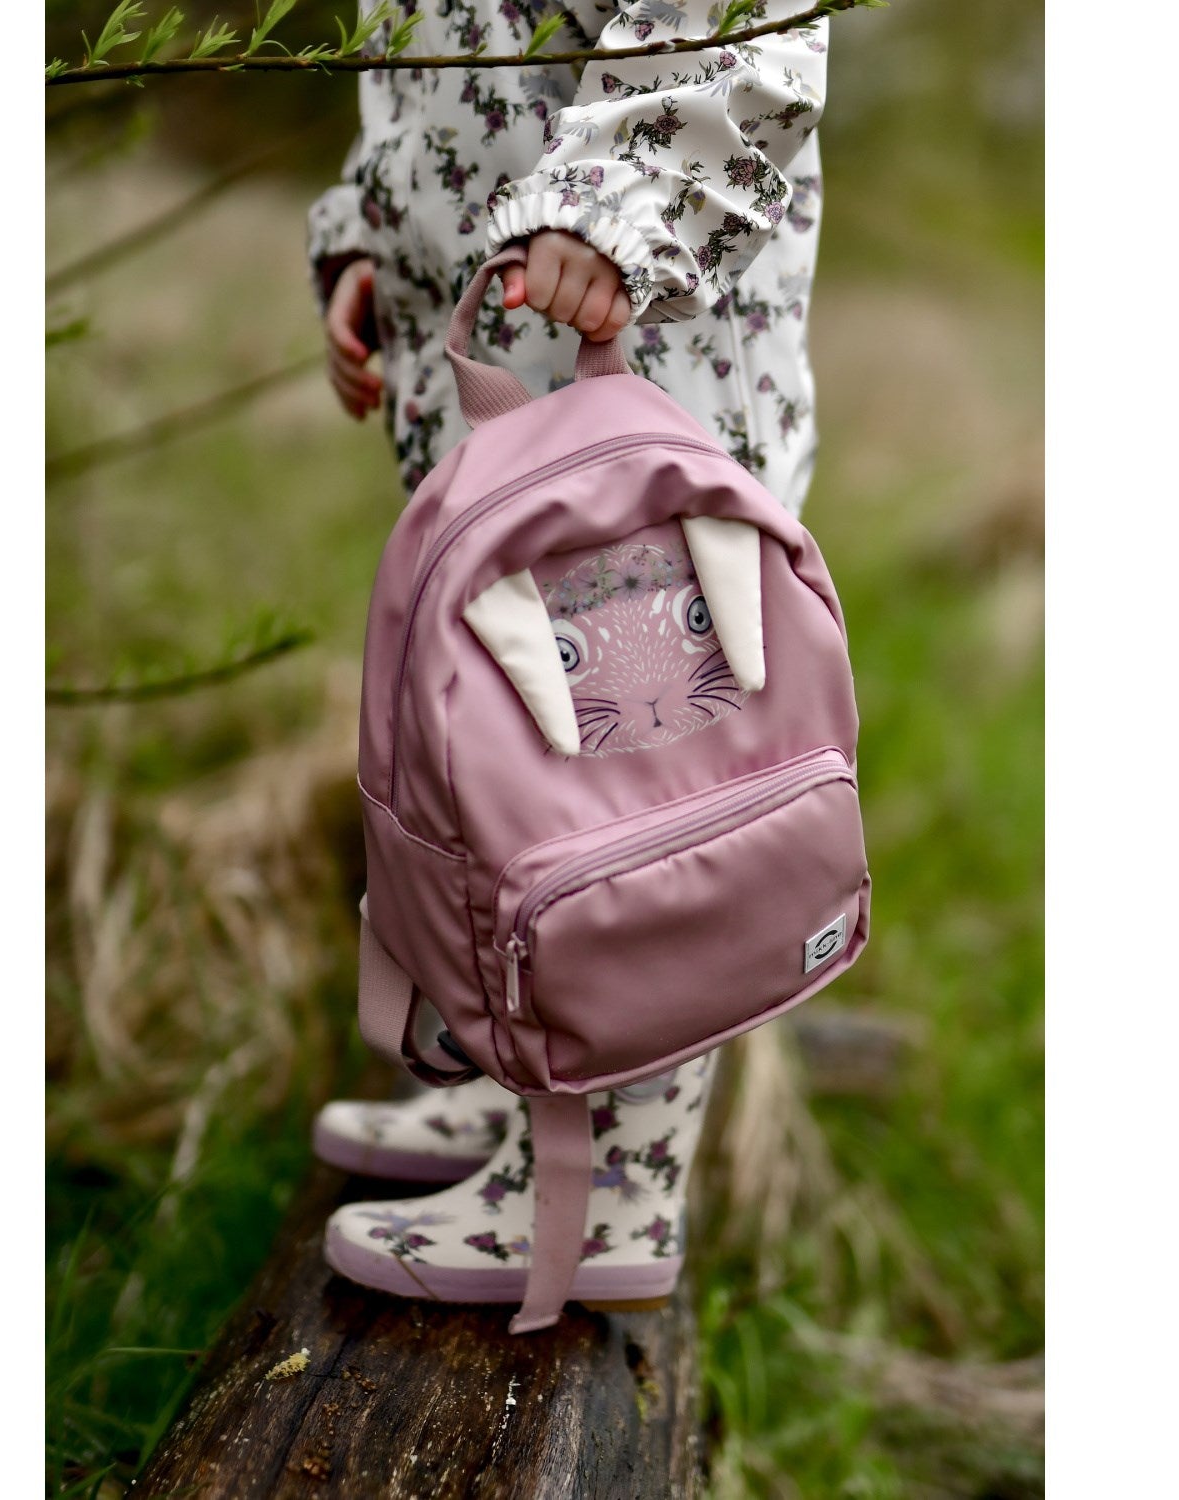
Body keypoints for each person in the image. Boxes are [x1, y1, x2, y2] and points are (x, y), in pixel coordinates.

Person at [307, 0, 830, 1311]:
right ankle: (529, 1083)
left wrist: (611, 202)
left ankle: (613, 1189)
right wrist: (379, 227)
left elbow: (738, 27)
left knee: (647, 810)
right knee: (518, 771)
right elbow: (432, 56)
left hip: (652, 388)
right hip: (504, 384)